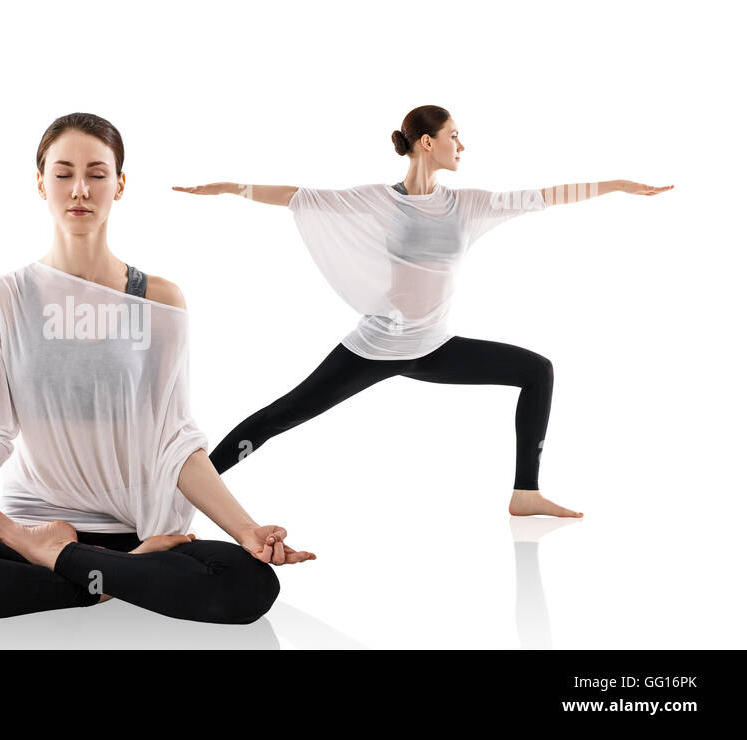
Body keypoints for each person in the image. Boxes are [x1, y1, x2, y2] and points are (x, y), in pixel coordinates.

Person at [0, 113, 313, 624]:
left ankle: (66, 560)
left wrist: (247, 531)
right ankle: (111, 574)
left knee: (249, 587)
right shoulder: (5, 297)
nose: (80, 188)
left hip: (136, 529)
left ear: (120, 184)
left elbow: (175, 438)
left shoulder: (160, 300)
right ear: (41, 184)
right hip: (35, 519)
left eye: (97, 173)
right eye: (63, 174)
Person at [174, 104, 674, 518]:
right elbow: (296, 197)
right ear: (427, 142)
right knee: (280, 416)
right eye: (455, 135)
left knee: (536, 371)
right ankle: (185, 488)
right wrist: (228, 187)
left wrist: (617, 185)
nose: (463, 145)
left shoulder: (468, 206)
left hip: (433, 348)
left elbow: (547, 197)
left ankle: (525, 493)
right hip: (373, 348)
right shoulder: (376, 200)